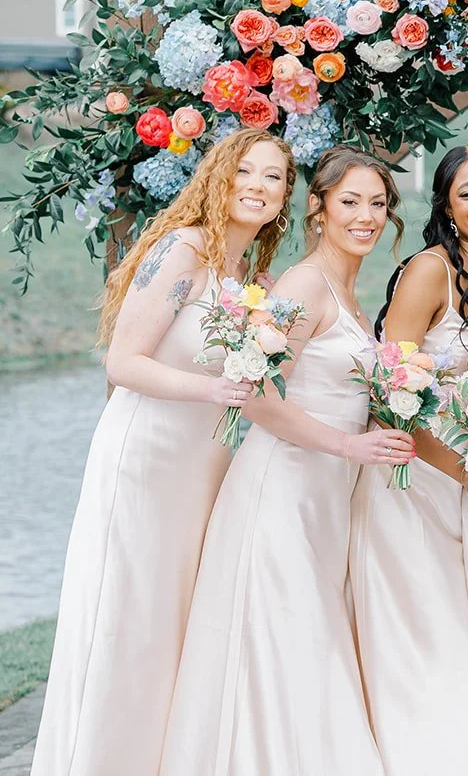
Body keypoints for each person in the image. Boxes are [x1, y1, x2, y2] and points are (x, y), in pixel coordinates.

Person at [31, 129, 294, 776]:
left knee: (173, 629)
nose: (258, 185)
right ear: (218, 178)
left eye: (275, 177)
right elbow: (123, 362)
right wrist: (215, 387)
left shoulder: (252, 279)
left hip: (201, 471)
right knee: (131, 620)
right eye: (247, 172)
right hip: (146, 460)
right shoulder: (185, 251)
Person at [160, 147, 413, 775]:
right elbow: (259, 395)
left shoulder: (350, 294)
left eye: (377, 204)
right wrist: (349, 446)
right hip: (282, 491)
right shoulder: (303, 284)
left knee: (306, 642)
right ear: (318, 209)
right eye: (349, 202)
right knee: (288, 643)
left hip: (326, 498)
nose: (366, 217)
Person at [348, 143, 468, 776]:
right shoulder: (429, 272)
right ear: (447, 208)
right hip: (410, 478)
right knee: (425, 635)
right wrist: (457, 468)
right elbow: (389, 395)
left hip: (466, 479)